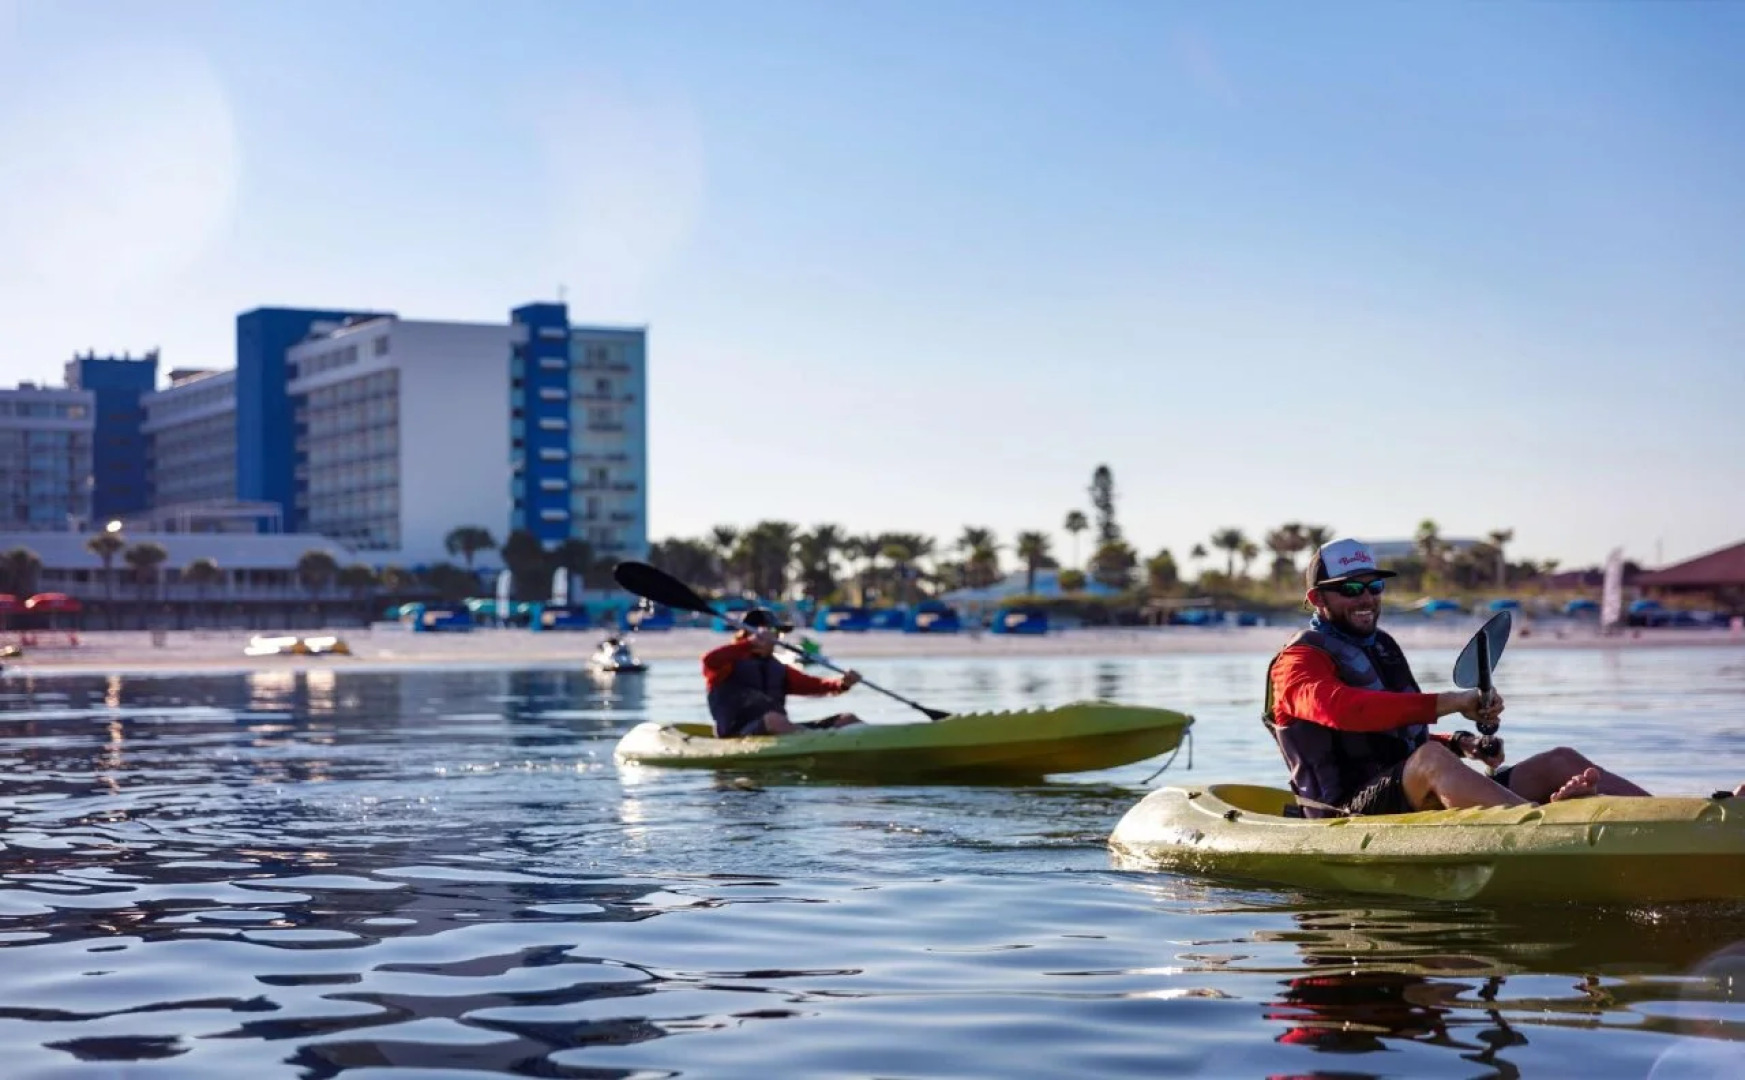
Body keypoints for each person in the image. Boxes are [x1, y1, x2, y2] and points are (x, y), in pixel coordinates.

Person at [1264, 538, 1656, 816]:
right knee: (1431, 760)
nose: (1366, 598)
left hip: (1407, 791)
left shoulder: (1379, 646)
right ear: (1318, 599)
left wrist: (1462, 743)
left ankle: (1669, 818)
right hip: (1343, 812)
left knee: (1560, 760)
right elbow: (1344, 712)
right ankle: (1548, 822)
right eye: (1351, 589)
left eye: (1374, 586)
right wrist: (1450, 702)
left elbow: (1389, 740)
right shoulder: (1297, 663)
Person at [703, 608, 865, 737]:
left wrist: (842, 683)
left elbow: (815, 685)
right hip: (738, 732)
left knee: (847, 719)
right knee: (774, 720)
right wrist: (748, 645)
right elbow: (709, 660)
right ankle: (817, 743)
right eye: (771, 632)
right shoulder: (728, 662)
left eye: (776, 633)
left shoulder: (778, 668)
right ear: (750, 634)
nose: (776, 638)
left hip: (779, 729)